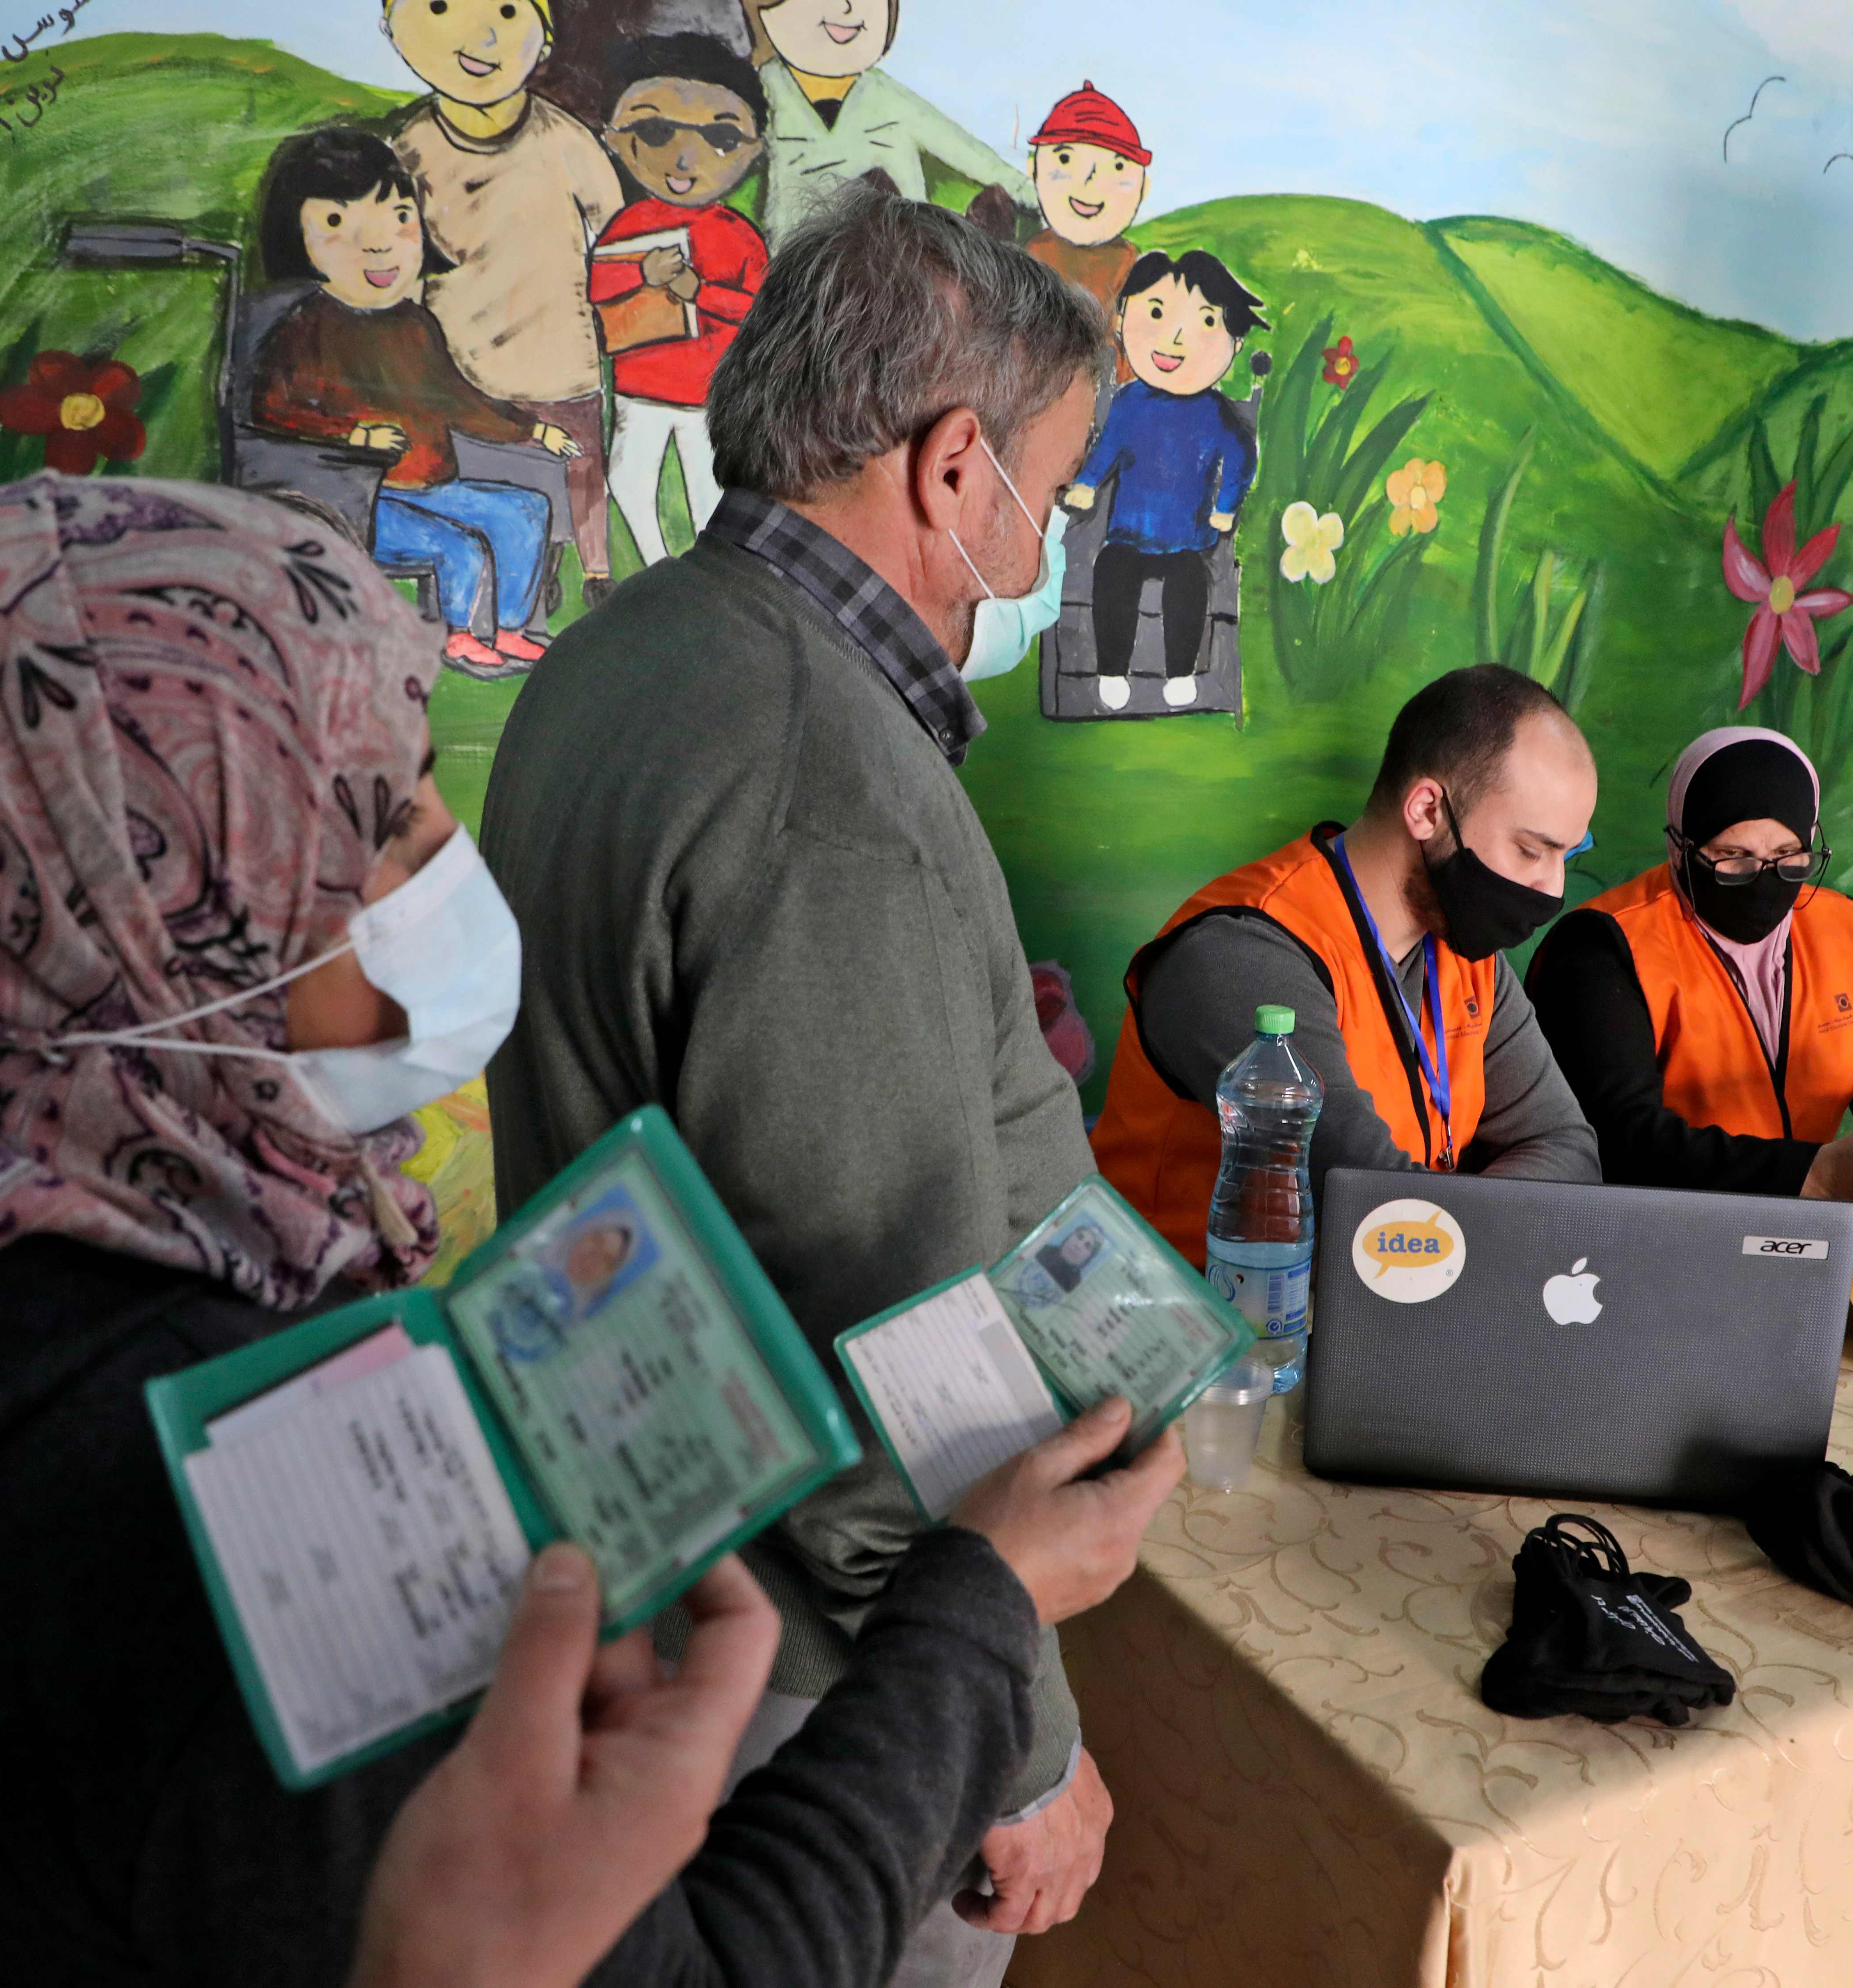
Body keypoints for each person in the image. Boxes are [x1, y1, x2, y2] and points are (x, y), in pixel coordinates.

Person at [0, 474, 1179, 1986]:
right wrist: (982, 1603)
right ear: (166, 911)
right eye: (372, 815)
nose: (445, 858)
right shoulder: (257, 1476)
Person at [482, 184, 1111, 1987]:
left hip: (645, 1557)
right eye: (1048, 498)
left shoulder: (632, 644)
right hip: (816, 1685)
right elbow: (889, 1341)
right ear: (949, 469)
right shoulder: (822, 774)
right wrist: (1017, 1740)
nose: (1043, 540)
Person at [1092, 665, 1603, 1268]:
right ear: (1428, 810)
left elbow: (1568, 1148)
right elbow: (1367, 1200)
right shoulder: (1241, 954)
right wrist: (1493, 1214)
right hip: (1198, 1333)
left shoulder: (1470, 959)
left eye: (1569, 855)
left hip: (1373, 1313)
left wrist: (1449, 1219)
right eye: (1530, 850)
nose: (1553, 886)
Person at [1526, 726, 1853, 1213]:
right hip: (1655, 1233)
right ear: (1681, 849)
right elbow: (1621, 1139)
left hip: (1805, 1232)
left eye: (1788, 857)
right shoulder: (1600, 948)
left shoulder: (1844, 930)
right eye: (1733, 858)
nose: (1765, 882)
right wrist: (1815, 1174)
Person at [252, 126, 577, 678]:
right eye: (337, 223)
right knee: (460, 546)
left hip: (436, 483)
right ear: (297, 239)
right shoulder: (306, 328)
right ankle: (460, 640)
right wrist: (353, 438)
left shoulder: (415, 325)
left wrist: (531, 431)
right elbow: (273, 409)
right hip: (366, 499)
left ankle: (511, 631)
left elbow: (459, 401)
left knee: (526, 511)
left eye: (398, 218)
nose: (378, 244)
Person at [385, 0, 624, 604]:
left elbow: (616, 235)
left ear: (543, 37)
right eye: (440, 7)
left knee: (577, 476)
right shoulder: (409, 147)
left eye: (508, 9)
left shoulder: (567, 140)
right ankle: (507, 574)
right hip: (459, 363)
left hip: (559, 360)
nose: (480, 33)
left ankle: (587, 572)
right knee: (475, 478)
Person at [586, 32, 773, 564]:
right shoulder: (628, 225)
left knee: (710, 497)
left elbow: (760, 315)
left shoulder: (738, 235)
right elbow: (598, 292)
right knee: (628, 481)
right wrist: (641, 273)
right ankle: (654, 565)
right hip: (638, 387)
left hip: (710, 396)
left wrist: (701, 292)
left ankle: (708, 575)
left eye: (720, 137)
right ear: (616, 139)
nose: (685, 158)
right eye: (655, 130)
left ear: (753, 150)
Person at [1063, 250, 1262, 709]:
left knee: (1189, 585)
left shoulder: (1213, 413)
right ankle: (1112, 671)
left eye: (1205, 322)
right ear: (1123, 321)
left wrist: (1227, 506)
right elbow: (1107, 448)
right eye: (1156, 313)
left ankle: (1180, 672)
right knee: (1112, 574)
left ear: (1234, 342)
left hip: (1186, 540)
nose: (1175, 339)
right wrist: (1088, 483)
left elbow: (1241, 456)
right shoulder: (1131, 403)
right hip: (1128, 535)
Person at [740, 0, 1032, 245]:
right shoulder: (762, 90)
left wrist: (1033, 191)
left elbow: (964, 151)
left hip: (901, 262)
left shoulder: (887, 96)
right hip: (805, 269)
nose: (848, 8)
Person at [1023, 82, 1150, 323]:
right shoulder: (1037, 252)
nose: (1089, 181)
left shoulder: (1129, 264)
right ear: (1034, 169)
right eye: (1065, 158)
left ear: (1144, 188)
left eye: (1118, 167)